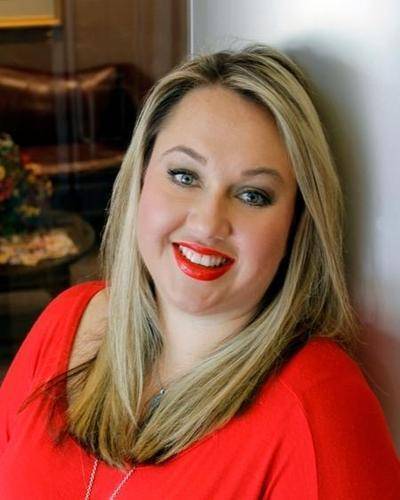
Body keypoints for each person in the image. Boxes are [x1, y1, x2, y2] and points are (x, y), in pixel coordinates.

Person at [0, 44, 399, 499]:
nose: (208, 223)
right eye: (185, 176)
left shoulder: (322, 411)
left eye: (252, 195)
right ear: (140, 178)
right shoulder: (66, 320)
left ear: (296, 224)